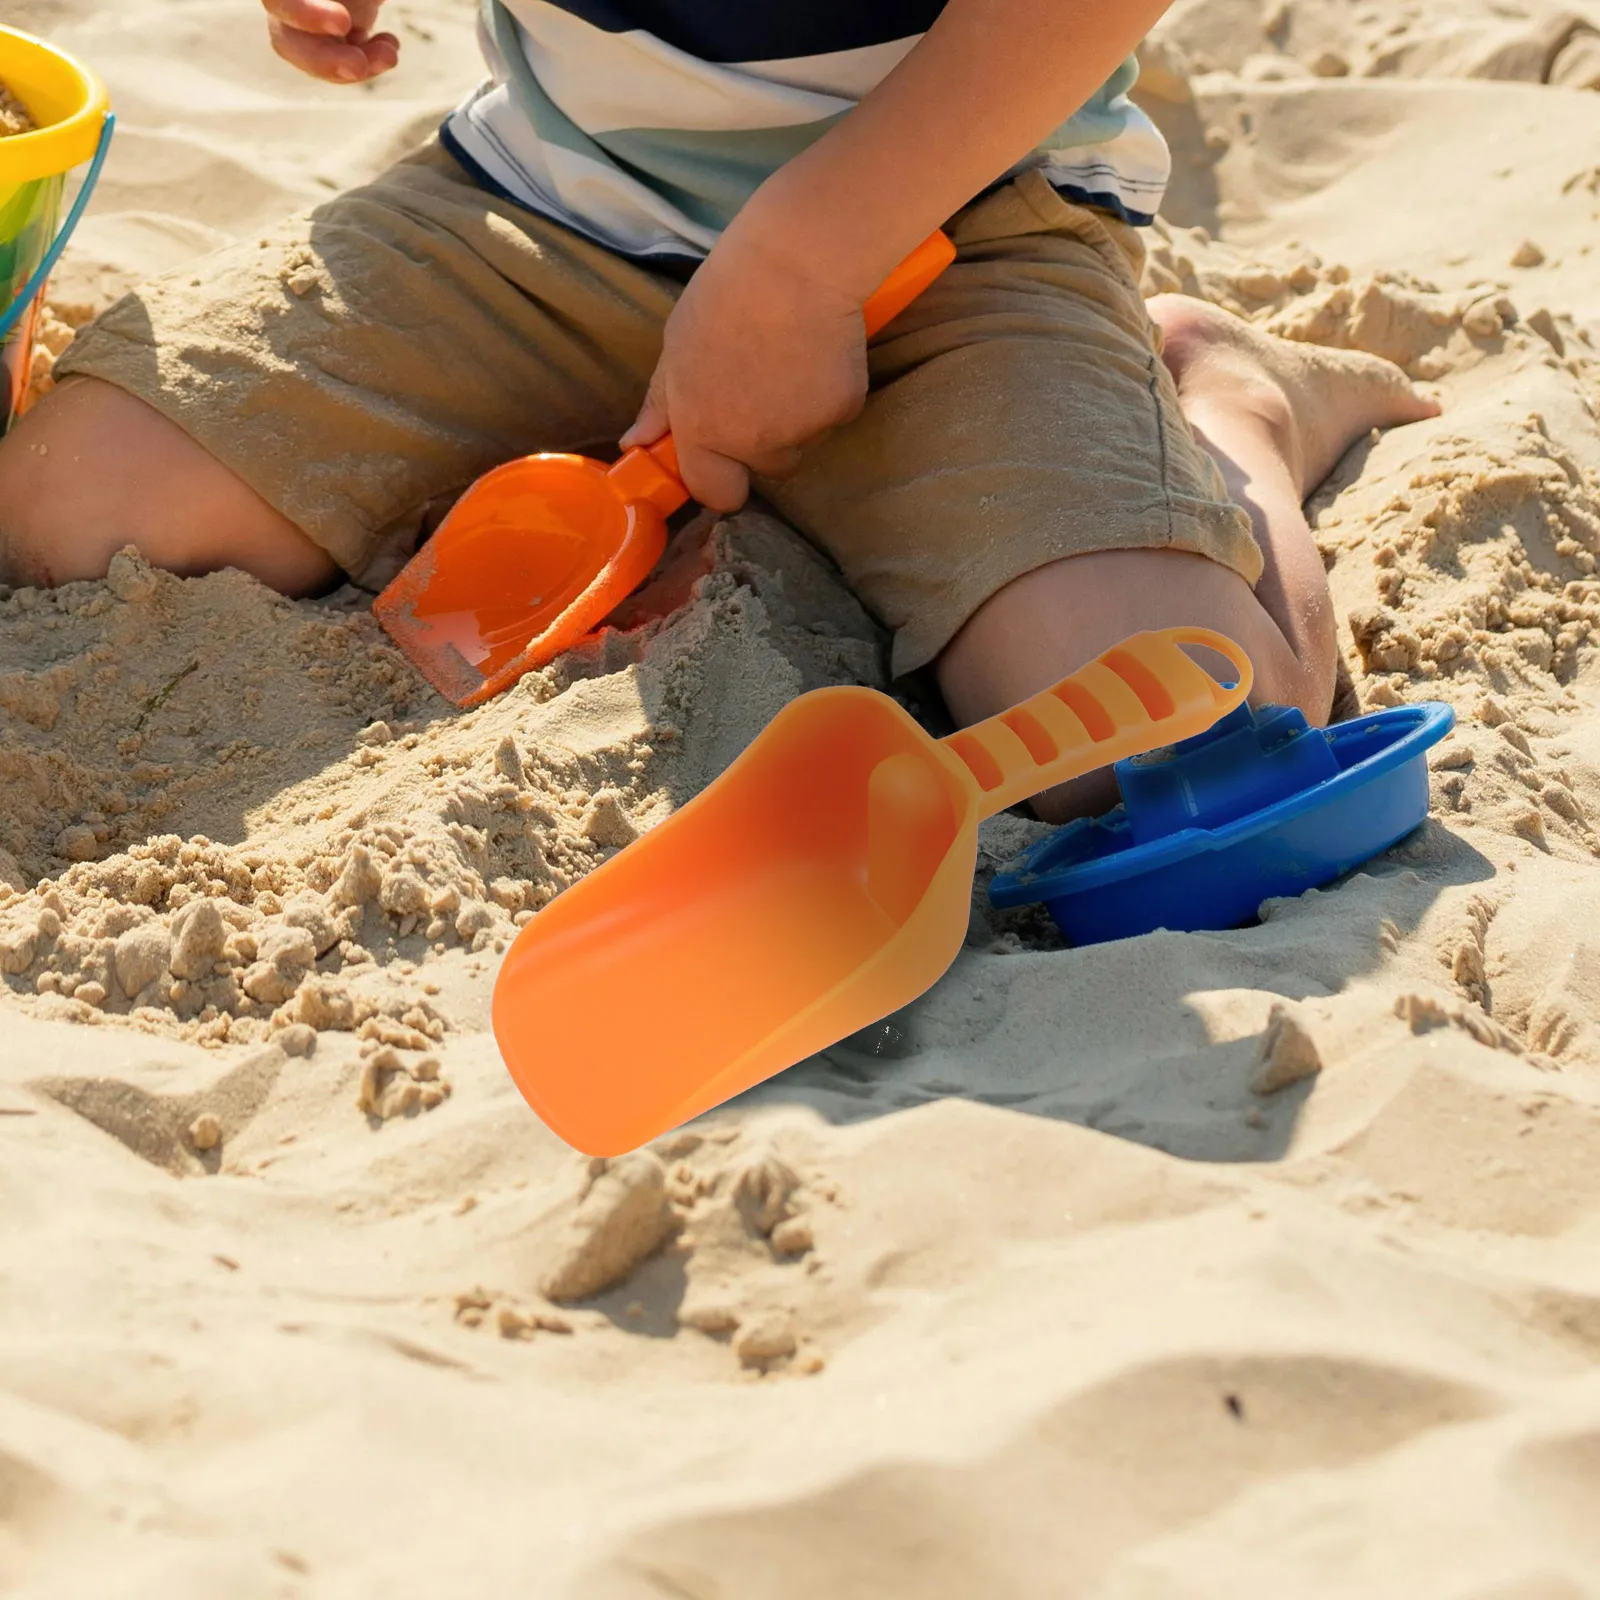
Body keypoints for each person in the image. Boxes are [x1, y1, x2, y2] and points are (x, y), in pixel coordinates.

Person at [0, 0, 1436, 817]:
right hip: (551, 198)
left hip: (951, 227)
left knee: (1171, 734)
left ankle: (1233, 400)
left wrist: (810, 254)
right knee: (74, 509)